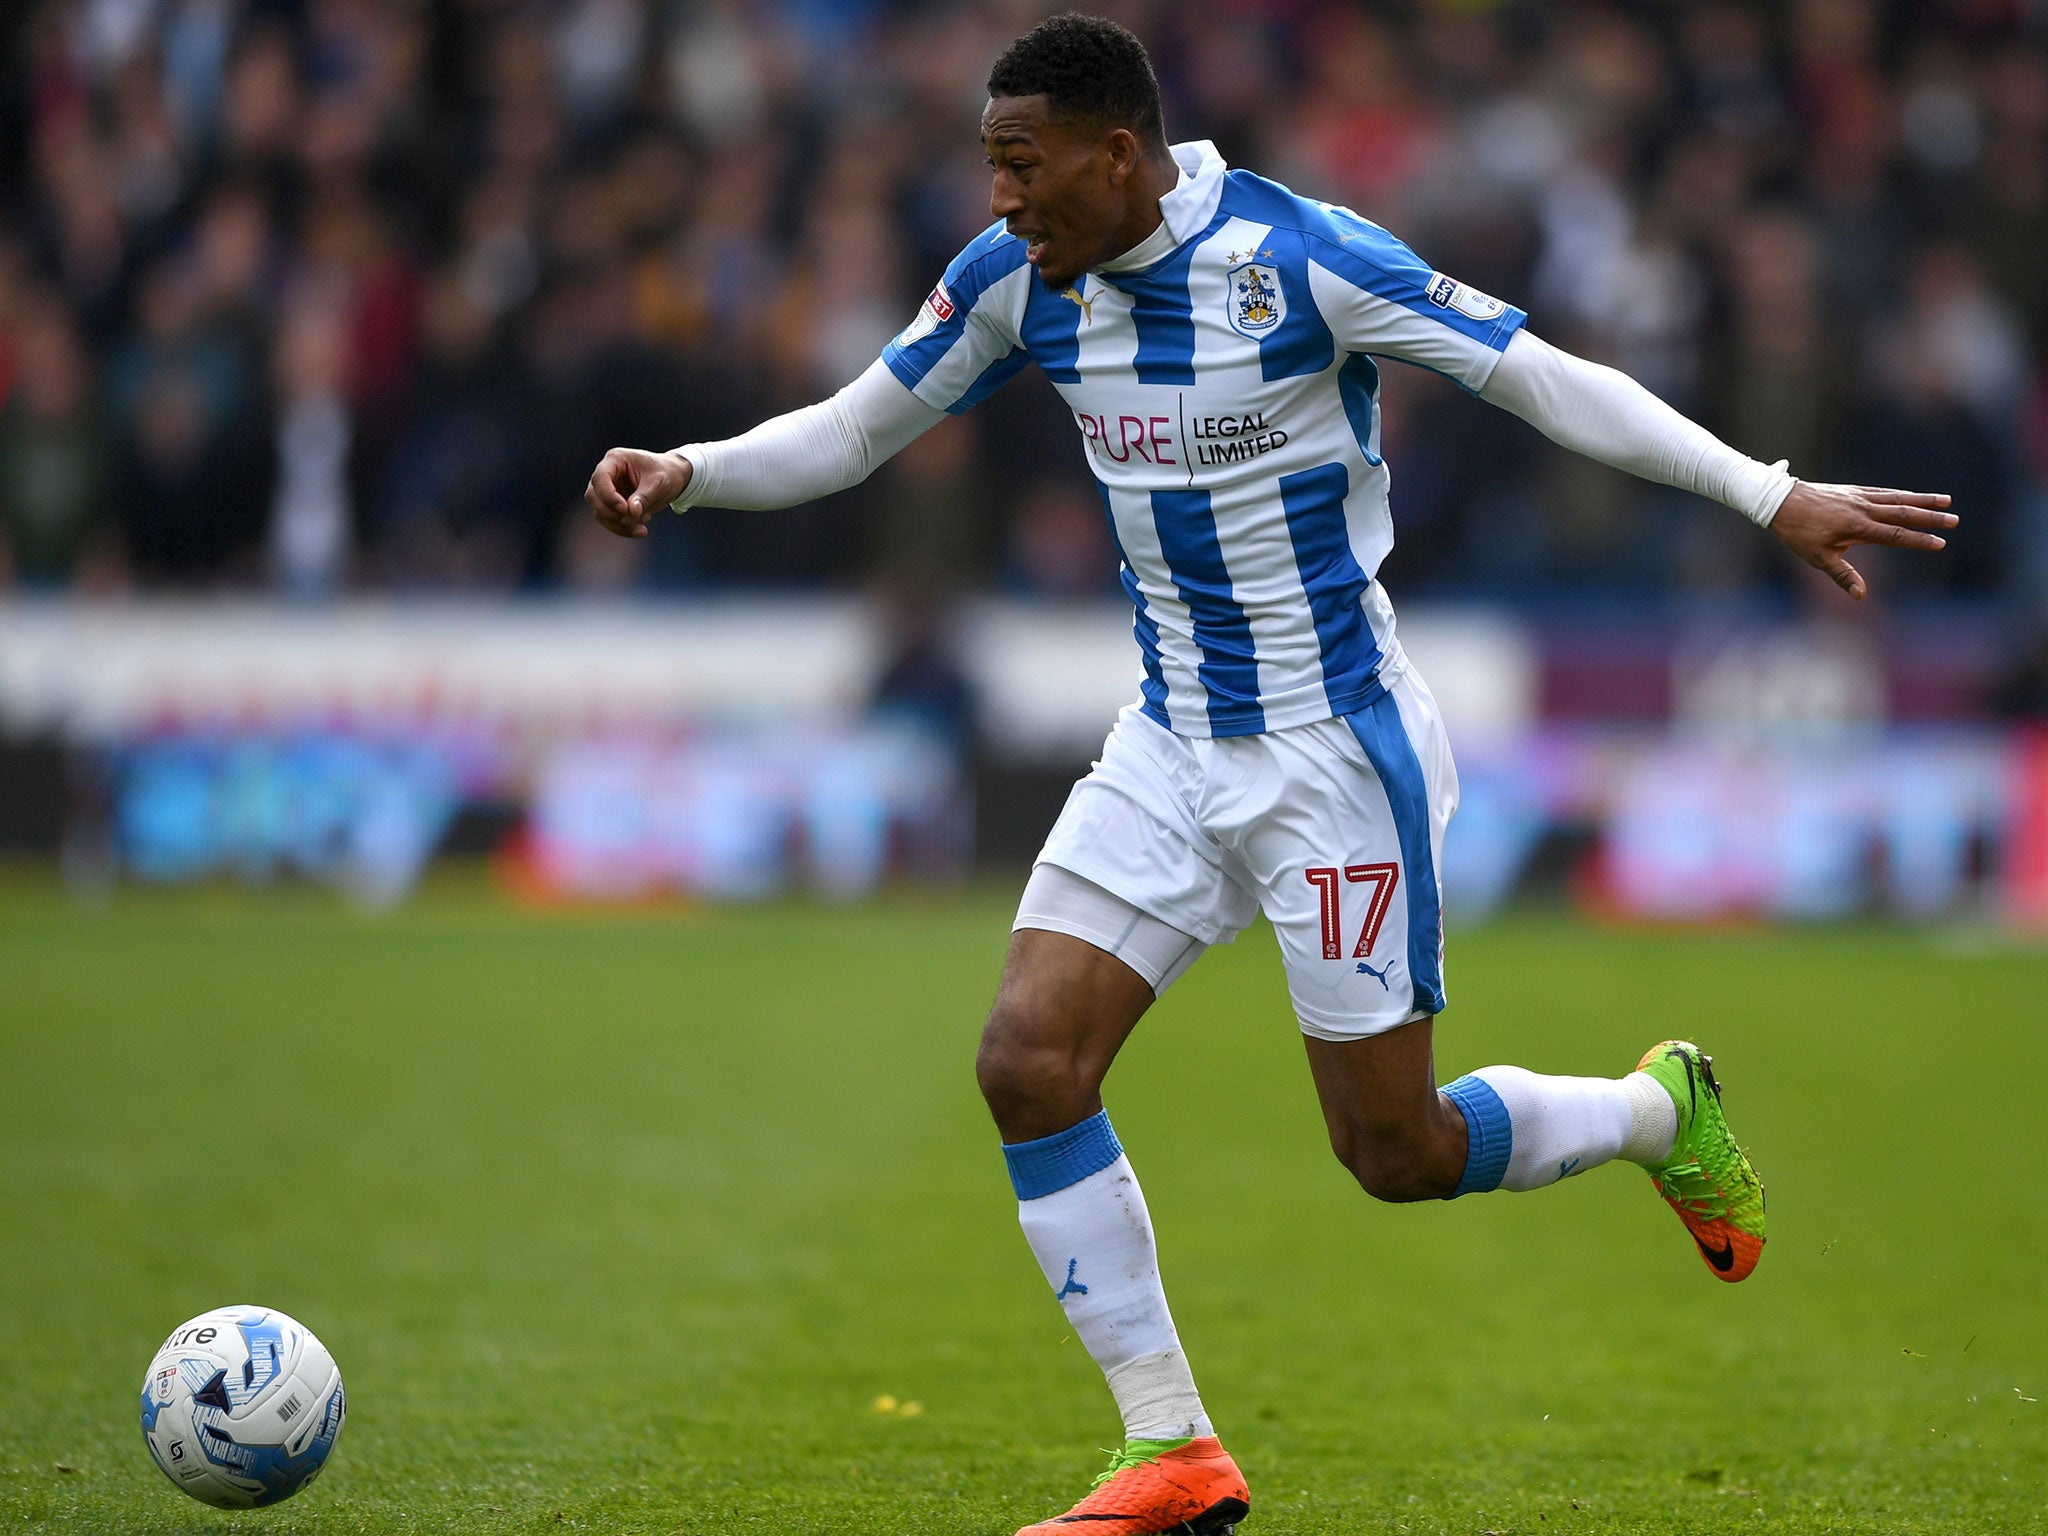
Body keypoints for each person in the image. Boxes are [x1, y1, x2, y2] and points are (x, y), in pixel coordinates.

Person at [585, 16, 1955, 1535]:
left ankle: (1653, 1112)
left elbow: (1546, 379)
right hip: (1170, 740)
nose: (999, 202)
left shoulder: (1300, 258)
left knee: (1396, 1150)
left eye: (1022, 167)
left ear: (1119, 155)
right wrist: (695, 468)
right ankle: (1171, 1449)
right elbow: (856, 430)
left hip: (1333, 758)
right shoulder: (1012, 287)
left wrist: (1767, 493)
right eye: (990, 168)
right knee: (1027, 1062)